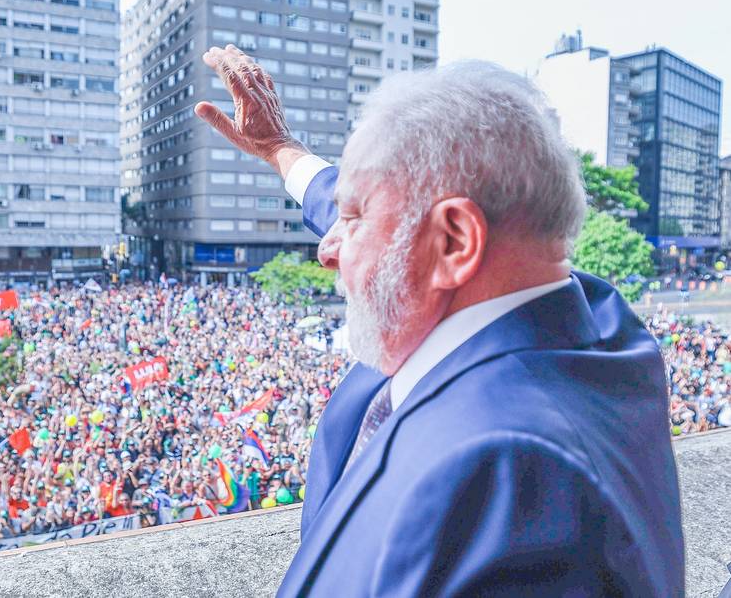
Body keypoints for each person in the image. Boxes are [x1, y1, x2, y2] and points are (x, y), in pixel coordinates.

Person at [195, 46, 684, 595]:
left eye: (352, 218)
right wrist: (281, 149)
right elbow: (397, 220)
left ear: (454, 241)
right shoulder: (595, 318)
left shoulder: (510, 483)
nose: (328, 249)